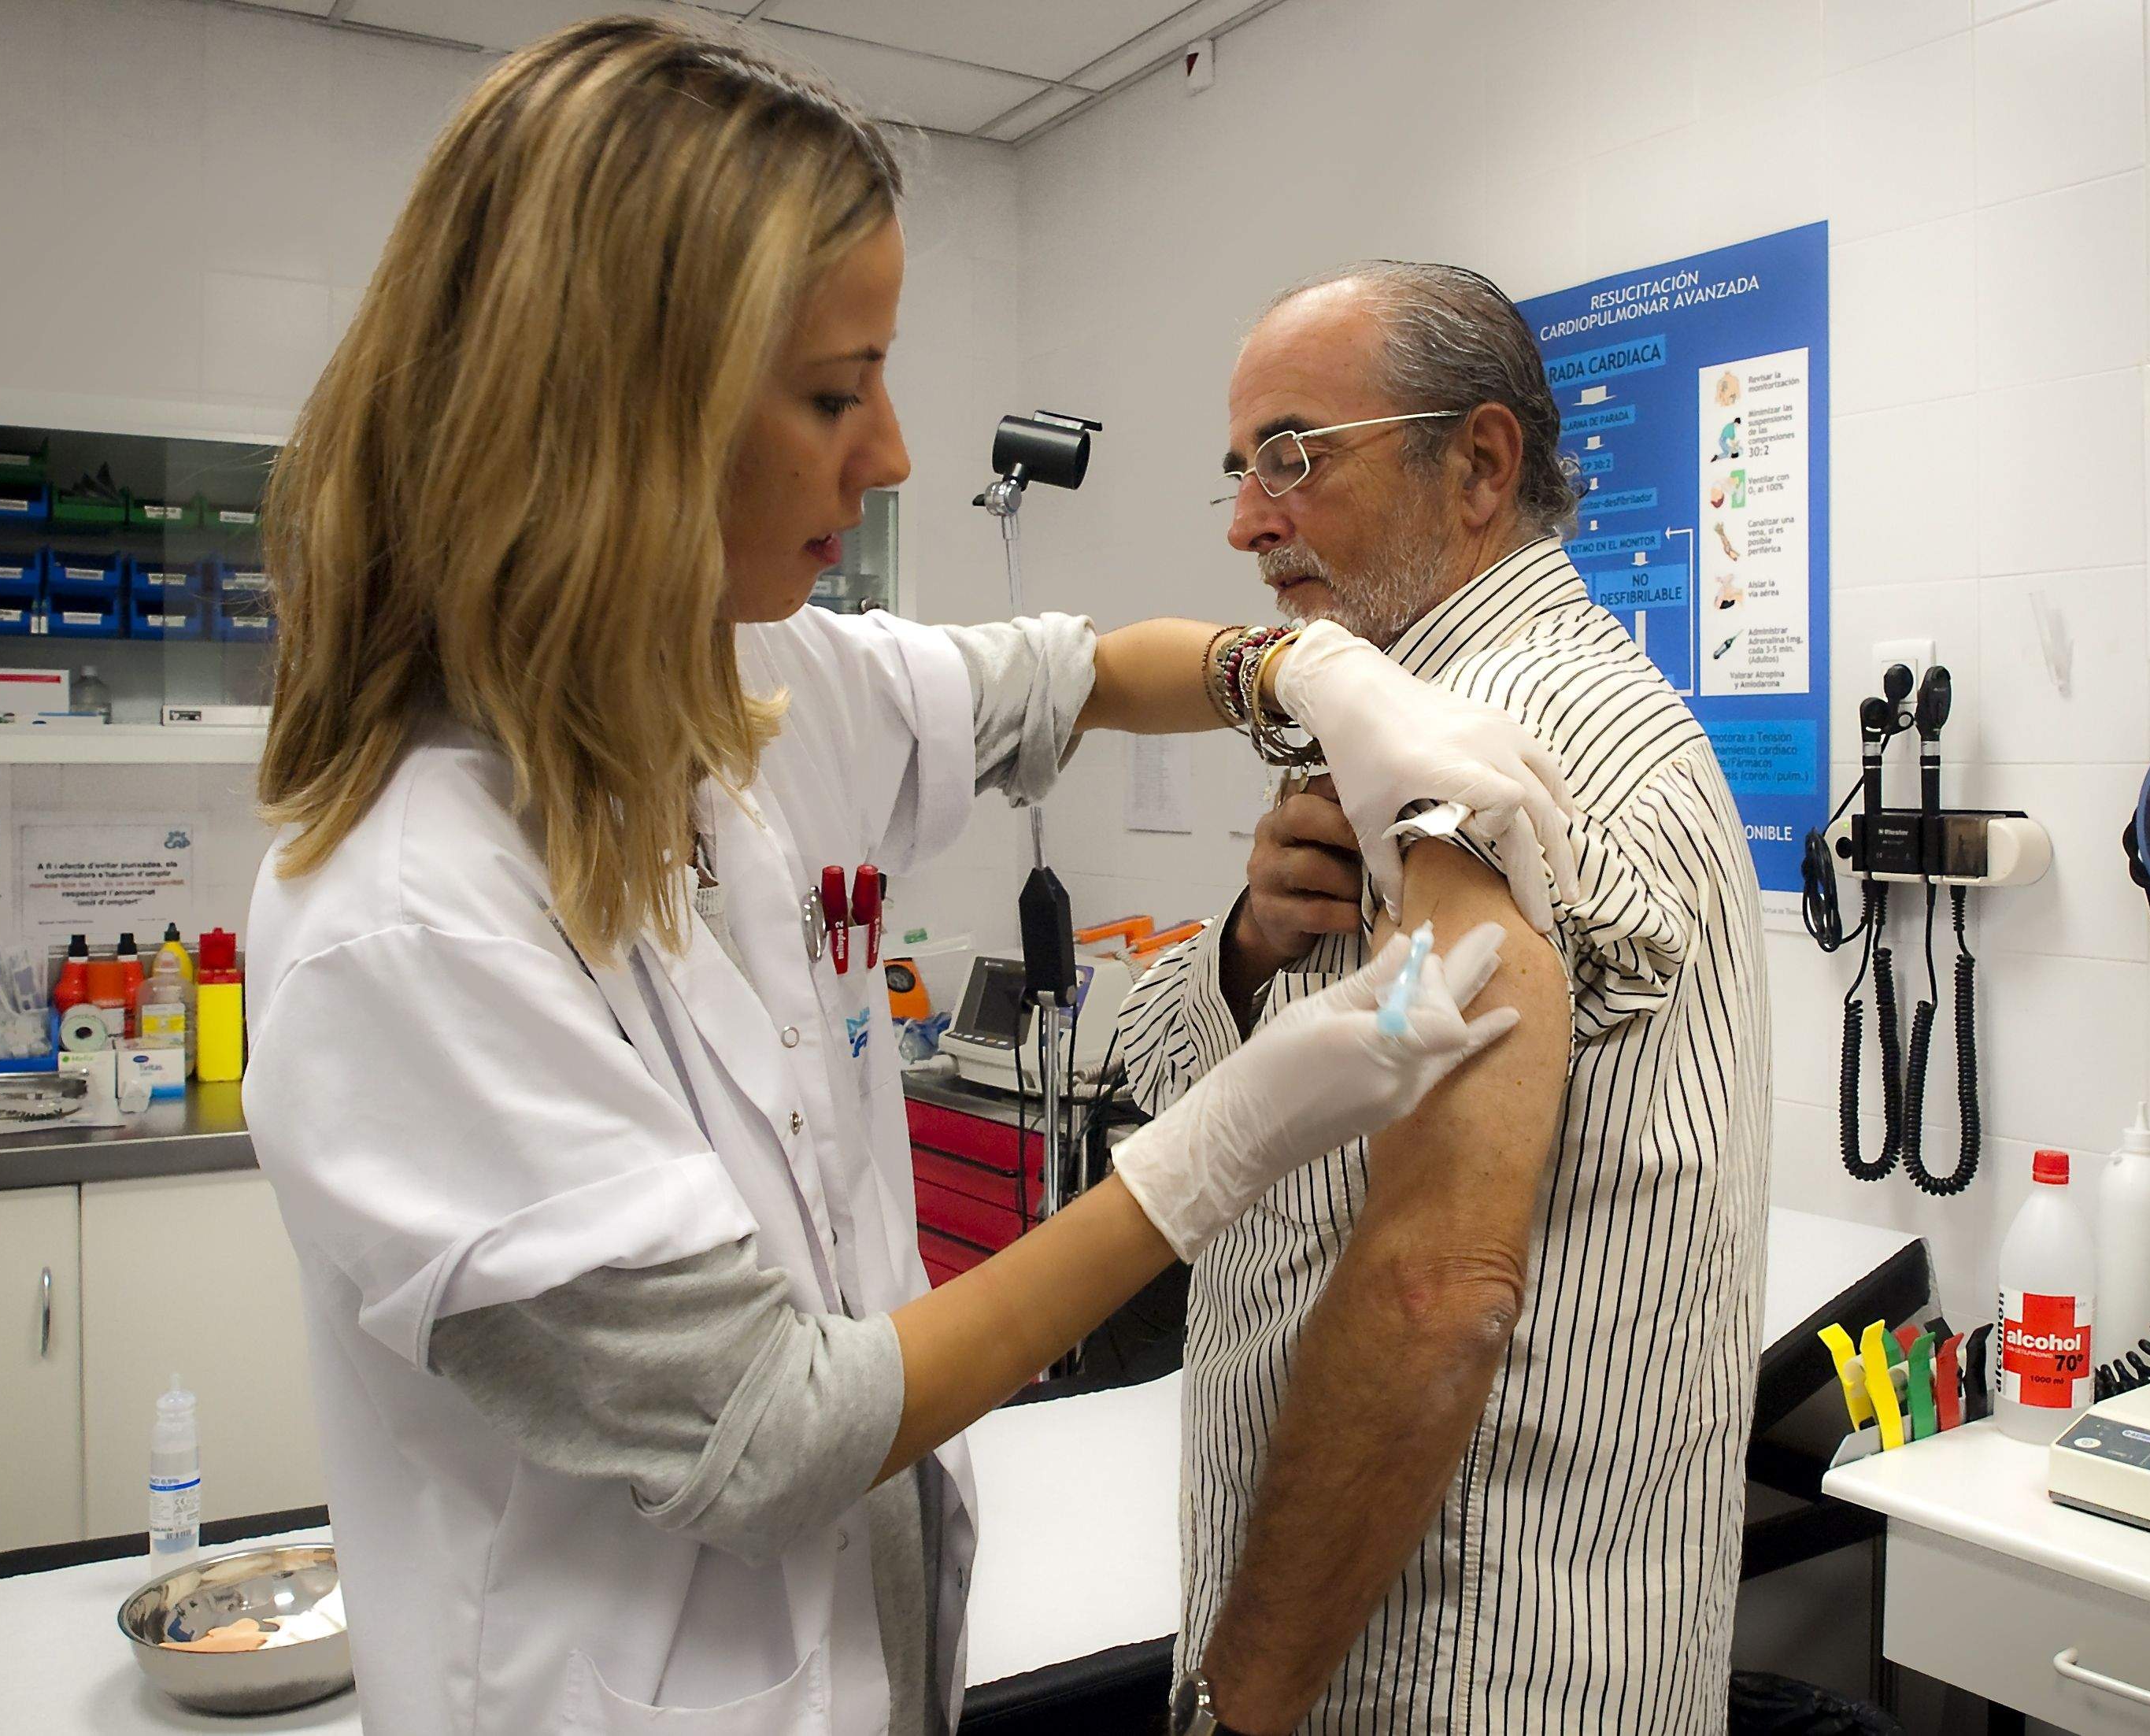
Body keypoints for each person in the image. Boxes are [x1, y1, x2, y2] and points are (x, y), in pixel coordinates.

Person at [238, 24, 1574, 1736]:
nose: (890, 453)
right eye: (829, 389)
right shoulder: (402, 918)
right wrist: (1220, 1143)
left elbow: (1072, 673)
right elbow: (774, 1426)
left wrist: (1302, 683)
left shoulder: (742, 692)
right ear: (614, 418)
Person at [1117, 261, 1772, 1736]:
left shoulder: (1508, 746)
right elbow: (1177, 1086)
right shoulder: (1381, 736)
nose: (1245, 520)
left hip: (1449, 1669)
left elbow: (1435, 1294)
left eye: (1292, 456)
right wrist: (1240, 948)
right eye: (1238, 470)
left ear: (1477, 464)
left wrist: (1247, 1703)